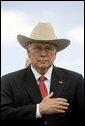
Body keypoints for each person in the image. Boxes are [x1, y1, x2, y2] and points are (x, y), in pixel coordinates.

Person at [1, 22, 84, 126]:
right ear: (28, 52)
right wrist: (38, 109)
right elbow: (3, 115)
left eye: (48, 48)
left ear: (55, 54)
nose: (43, 54)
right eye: (37, 48)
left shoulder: (75, 80)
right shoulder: (8, 81)